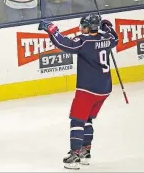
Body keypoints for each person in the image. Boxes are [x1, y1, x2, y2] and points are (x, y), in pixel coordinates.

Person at [38, 14, 118, 169]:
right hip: (104, 89)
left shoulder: (84, 41)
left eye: (83, 26)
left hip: (87, 89)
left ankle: (75, 156)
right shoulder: (107, 38)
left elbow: (64, 44)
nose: (81, 28)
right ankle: (85, 152)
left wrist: (51, 30)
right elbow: (115, 38)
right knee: (87, 119)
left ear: (88, 27)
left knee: (77, 120)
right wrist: (106, 26)